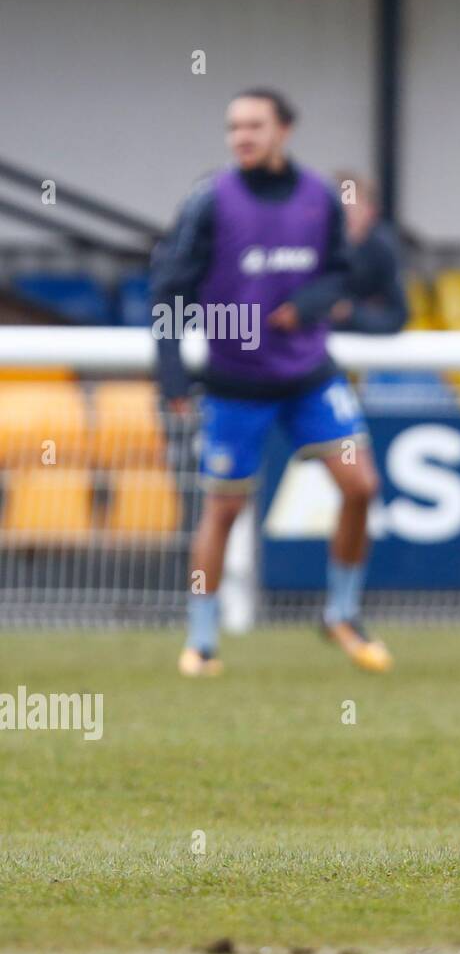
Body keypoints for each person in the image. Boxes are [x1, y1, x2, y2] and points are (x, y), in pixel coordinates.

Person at [153, 88, 392, 677]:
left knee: (360, 485)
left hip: (309, 375)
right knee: (224, 510)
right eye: (234, 126)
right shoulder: (210, 201)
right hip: (236, 382)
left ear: (283, 129)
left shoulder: (319, 197)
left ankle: (340, 612)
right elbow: (168, 285)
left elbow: (340, 274)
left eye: (255, 125)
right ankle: (202, 640)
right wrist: (171, 373)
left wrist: (308, 303)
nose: (242, 136)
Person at [329, 172, 408, 335]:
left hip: (370, 349)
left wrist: (351, 313)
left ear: (370, 211)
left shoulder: (383, 249)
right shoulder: (314, 245)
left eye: (352, 208)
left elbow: (397, 316)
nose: (344, 215)